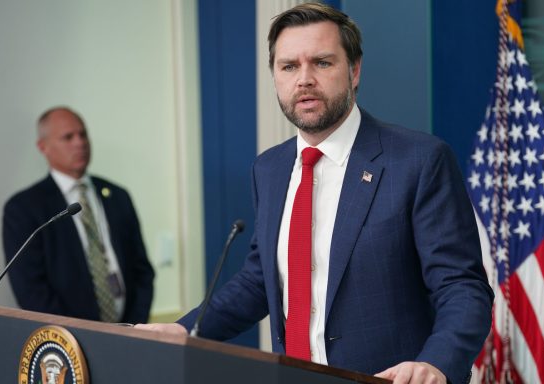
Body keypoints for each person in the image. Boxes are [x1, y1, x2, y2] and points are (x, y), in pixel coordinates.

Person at [137, 3, 493, 383]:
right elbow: (260, 280)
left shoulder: (419, 160)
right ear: (274, 77)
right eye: (289, 66)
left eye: (321, 63)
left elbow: (461, 287)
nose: (303, 79)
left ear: (354, 71)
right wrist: (186, 328)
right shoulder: (269, 169)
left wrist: (435, 363)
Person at [2, 106, 155, 323]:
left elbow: (142, 271)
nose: (80, 143)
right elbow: (30, 290)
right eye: (68, 137)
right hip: (68, 341)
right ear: (43, 147)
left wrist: (134, 327)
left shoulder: (118, 196)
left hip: (129, 333)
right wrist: (78, 335)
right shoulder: (24, 208)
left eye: (83, 134)